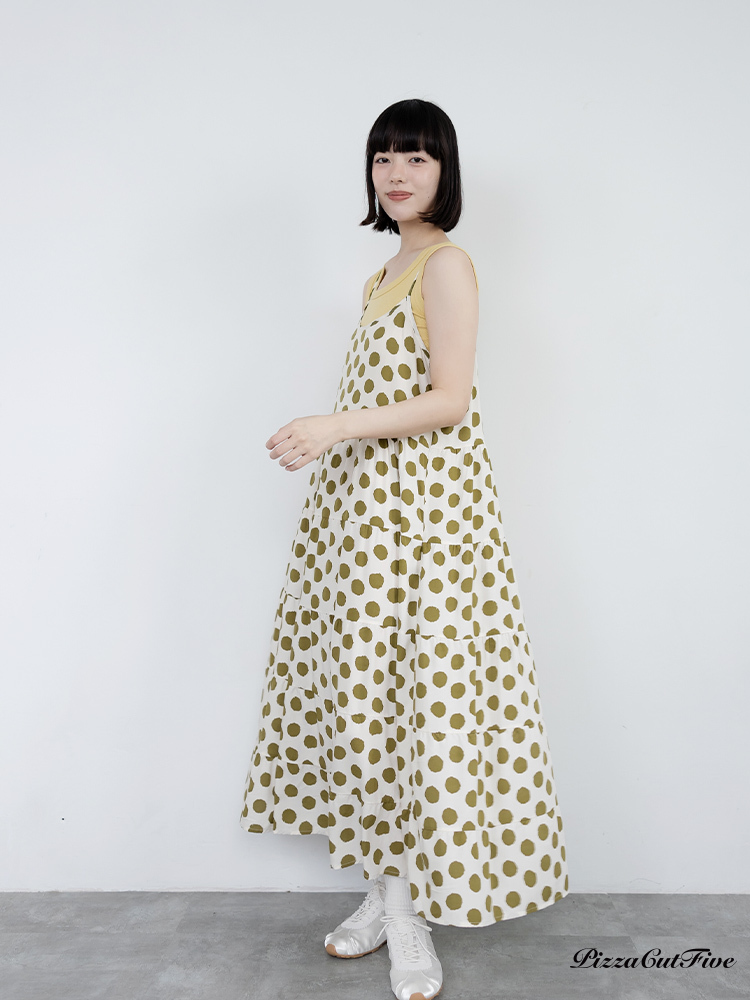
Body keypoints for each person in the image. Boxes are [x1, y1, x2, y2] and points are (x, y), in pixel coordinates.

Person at [240, 98, 569, 1000]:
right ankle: (384, 896)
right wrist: (336, 452)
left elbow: (450, 399)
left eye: (417, 158)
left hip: (427, 520)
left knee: (422, 701)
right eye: (385, 156)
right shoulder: (382, 272)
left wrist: (331, 425)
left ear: (445, 173)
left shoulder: (447, 265)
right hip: (365, 516)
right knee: (369, 703)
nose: (397, 172)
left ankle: (410, 913)